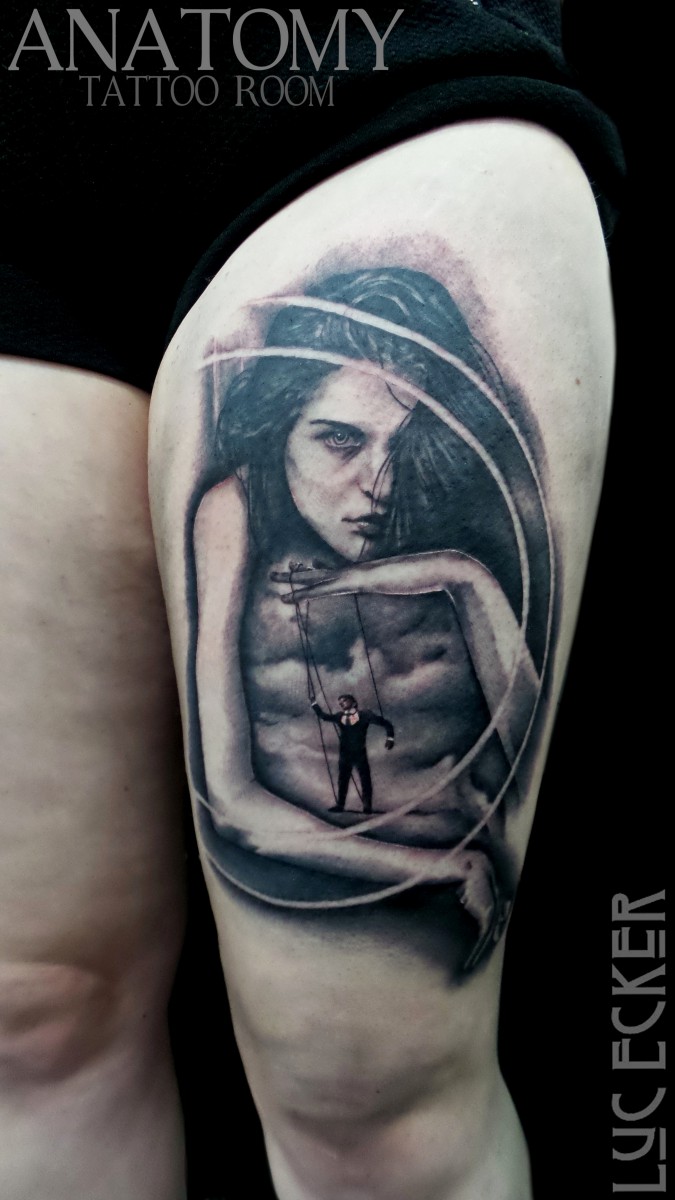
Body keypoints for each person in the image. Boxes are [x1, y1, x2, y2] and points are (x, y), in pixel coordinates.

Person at [309, 693, 395, 814]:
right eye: (340, 702)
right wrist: (314, 703)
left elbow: (386, 723)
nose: (341, 703)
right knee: (342, 780)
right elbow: (323, 716)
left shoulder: (364, 715)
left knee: (365, 780)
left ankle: (367, 807)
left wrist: (390, 738)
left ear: (353, 702)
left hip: (360, 753)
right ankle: (340, 805)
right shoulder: (339, 716)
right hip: (345, 755)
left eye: (344, 700)